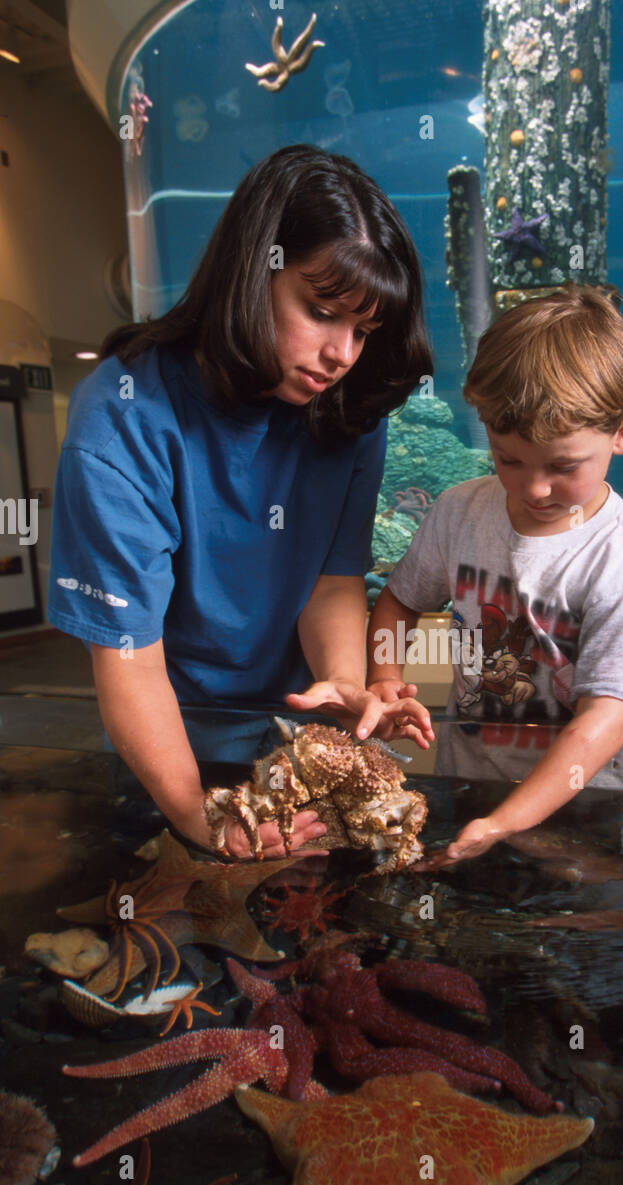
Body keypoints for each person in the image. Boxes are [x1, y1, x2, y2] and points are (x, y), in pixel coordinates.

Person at [47, 145, 434, 859]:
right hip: (163, 740)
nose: (341, 354)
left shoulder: (348, 411)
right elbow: (128, 659)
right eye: (320, 312)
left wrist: (342, 683)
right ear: (253, 269)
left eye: (363, 330)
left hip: (292, 735)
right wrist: (200, 817)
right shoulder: (123, 417)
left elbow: (333, 577)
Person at [367, 283, 623, 866]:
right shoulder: (459, 510)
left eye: (562, 466)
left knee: (577, 936)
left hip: (589, 802)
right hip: (473, 779)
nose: (534, 488)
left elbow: (604, 723)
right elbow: (399, 602)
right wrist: (384, 676)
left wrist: (508, 822)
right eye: (509, 459)